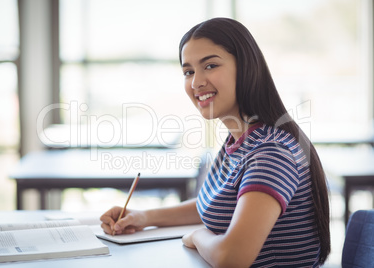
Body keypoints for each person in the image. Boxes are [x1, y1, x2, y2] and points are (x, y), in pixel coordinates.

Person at [100, 17, 331, 267]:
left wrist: (198, 235)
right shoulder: (242, 140)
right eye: (188, 71)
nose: (196, 82)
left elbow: (231, 258)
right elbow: (215, 204)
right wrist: (144, 216)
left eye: (210, 65)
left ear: (245, 67)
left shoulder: (271, 153)